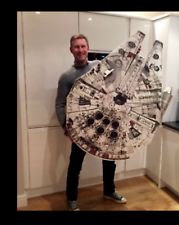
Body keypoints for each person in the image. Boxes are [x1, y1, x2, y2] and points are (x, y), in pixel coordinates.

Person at [55, 34, 127, 211]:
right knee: (75, 164)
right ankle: (71, 199)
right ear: (71, 50)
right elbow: (60, 104)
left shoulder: (98, 67)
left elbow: (116, 75)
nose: (80, 50)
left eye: (83, 46)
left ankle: (109, 191)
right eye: (76, 47)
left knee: (109, 160)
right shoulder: (67, 76)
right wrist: (67, 128)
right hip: (80, 129)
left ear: (88, 48)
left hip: (105, 123)